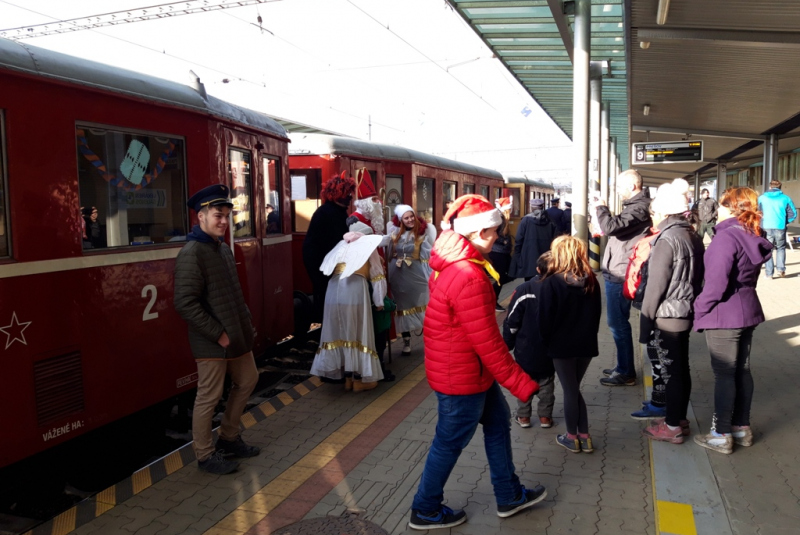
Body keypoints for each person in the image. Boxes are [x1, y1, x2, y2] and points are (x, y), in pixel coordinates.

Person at [409, 195, 546, 530]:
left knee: (498, 425)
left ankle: (508, 494)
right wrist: (521, 383)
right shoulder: (468, 276)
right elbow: (487, 343)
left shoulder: (452, 262)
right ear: (477, 233)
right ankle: (425, 508)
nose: (498, 238)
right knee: (449, 442)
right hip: (463, 377)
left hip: (468, 373)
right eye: (494, 232)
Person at [173, 184, 260, 475]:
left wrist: (245, 325)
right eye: (217, 215)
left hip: (235, 336)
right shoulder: (192, 252)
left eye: (226, 215)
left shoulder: (220, 248)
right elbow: (184, 303)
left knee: (248, 379)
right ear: (201, 217)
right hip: (212, 341)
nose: (224, 221)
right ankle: (205, 454)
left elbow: (234, 293)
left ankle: (229, 437)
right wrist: (218, 334)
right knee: (208, 397)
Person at [693, 187, 772, 454]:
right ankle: (741, 428)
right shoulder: (752, 235)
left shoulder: (726, 238)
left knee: (725, 374)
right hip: (748, 310)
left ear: (731, 207)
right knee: (742, 371)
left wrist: (698, 310)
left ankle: (721, 433)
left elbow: (714, 285)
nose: (718, 209)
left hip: (724, 315)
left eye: (723, 205)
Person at [637, 179, 705, 445]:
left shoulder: (667, 240)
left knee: (671, 373)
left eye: (654, 211)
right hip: (685, 310)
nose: (652, 216)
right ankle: (679, 418)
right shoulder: (692, 235)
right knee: (681, 370)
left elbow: (655, 287)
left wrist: (644, 326)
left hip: (667, 315)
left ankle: (673, 426)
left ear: (664, 213)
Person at [537, 236, 602, 453]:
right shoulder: (591, 279)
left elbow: (544, 319)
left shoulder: (551, 281)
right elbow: (597, 314)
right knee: (573, 389)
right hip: (586, 344)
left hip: (561, 345)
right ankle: (584, 436)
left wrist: (546, 344)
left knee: (570, 390)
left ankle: (572, 436)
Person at [311, 221, 387, 391]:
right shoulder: (368, 246)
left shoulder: (340, 245)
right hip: (354, 291)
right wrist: (379, 301)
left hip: (333, 292)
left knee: (340, 330)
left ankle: (346, 379)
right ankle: (359, 380)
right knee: (358, 331)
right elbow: (377, 275)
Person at [595, 169, 652, 386]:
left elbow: (611, 227)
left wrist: (601, 207)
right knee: (617, 323)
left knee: (617, 323)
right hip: (618, 270)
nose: (618, 192)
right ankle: (622, 365)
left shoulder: (639, 208)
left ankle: (627, 371)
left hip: (621, 273)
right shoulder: (636, 207)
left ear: (632, 186)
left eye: (620, 187)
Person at [503, 252, 556, 429]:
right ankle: (545, 418)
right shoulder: (560, 289)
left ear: (537, 269)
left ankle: (524, 416)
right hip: (550, 349)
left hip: (525, 348)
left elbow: (512, 320)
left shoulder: (525, 289)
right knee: (547, 383)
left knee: (524, 381)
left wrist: (508, 342)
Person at [302, 173, 355, 323]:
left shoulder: (338, 211)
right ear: (337, 194)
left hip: (331, 267)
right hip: (324, 268)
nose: (350, 197)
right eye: (347, 193)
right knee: (328, 305)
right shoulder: (325, 213)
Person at [386, 204, 436, 355]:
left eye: (411, 216)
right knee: (401, 308)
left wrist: (431, 278)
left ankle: (431, 340)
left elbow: (427, 258)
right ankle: (406, 342)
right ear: (400, 220)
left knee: (422, 305)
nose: (410, 220)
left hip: (415, 275)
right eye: (406, 218)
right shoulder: (394, 234)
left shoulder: (422, 235)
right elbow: (388, 254)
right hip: (397, 276)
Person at [508, 198, 559, 281]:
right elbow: (556, 239)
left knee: (529, 281)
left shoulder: (525, 220)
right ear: (542, 206)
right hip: (545, 256)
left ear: (531, 207)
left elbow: (519, 238)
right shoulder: (550, 220)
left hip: (528, 256)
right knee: (544, 279)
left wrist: (517, 254)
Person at [757, 180, 797, 279]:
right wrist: (785, 221)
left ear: (770, 187)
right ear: (780, 187)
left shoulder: (762, 198)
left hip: (765, 226)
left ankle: (769, 274)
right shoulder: (786, 198)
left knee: (767, 249)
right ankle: (781, 270)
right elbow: (793, 213)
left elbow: (757, 212)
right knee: (781, 248)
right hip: (780, 226)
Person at [490, 197, 514, 311]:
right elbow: (492, 234)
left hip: (504, 252)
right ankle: (493, 301)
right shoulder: (498, 217)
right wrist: (503, 241)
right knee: (501, 277)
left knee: (511, 274)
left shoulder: (503, 217)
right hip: (497, 252)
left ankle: (491, 294)